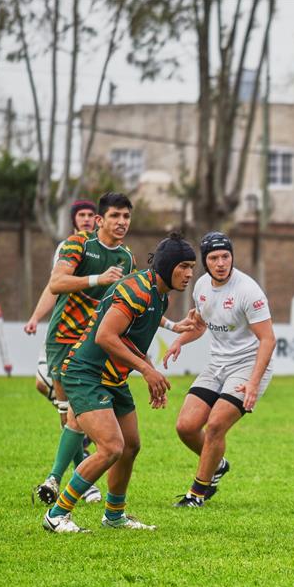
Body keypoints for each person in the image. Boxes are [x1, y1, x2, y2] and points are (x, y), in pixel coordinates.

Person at [42, 231, 202, 533]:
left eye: (191, 267)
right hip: (85, 374)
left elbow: (131, 339)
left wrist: (151, 373)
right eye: (184, 266)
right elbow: (105, 336)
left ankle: (114, 515)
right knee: (111, 447)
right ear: (167, 265)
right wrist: (146, 370)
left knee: (130, 446)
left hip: (112, 379)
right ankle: (56, 514)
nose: (189, 274)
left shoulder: (160, 296)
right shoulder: (135, 290)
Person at [163, 231, 277, 508]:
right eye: (214, 258)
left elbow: (268, 339)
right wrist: (180, 340)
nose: (221, 262)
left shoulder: (247, 291)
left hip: (248, 364)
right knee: (186, 426)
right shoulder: (201, 286)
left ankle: (197, 494)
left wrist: (253, 383)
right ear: (205, 261)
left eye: (226, 256)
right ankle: (218, 463)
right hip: (217, 364)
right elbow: (201, 324)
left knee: (215, 426)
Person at [24, 199, 101, 502]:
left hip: (86, 336)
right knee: (46, 387)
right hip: (62, 332)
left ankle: (78, 473)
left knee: (71, 405)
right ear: (74, 221)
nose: (85, 220)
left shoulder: (107, 250)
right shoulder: (68, 247)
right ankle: (80, 455)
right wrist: (35, 317)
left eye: (89, 215)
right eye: (80, 215)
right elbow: (53, 285)